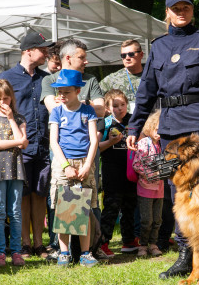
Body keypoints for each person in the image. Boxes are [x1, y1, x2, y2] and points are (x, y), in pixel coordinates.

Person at [126, 0, 199, 279]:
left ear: (192, 10)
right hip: (170, 124)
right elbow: (146, 90)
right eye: (176, 8)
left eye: (185, 7)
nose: (181, 12)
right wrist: (134, 127)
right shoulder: (158, 46)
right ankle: (186, 254)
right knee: (178, 191)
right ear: (168, 12)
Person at [0, 31, 53, 259]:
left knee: (39, 194)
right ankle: (25, 243)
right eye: (43, 49)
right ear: (28, 51)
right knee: (22, 194)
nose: (47, 52)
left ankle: (39, 243)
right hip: (19, 146)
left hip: (43, 145)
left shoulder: (46, 78)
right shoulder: (7, 78)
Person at [48, 69, 100, 267]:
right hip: (64, 164)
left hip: (84, 163)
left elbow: (94, 139)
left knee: (83, 209)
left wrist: (87, 165)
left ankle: (85, 253)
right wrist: (66, 166)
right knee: (64, 209)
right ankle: (63, 252)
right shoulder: (57, 111)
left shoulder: (88, 111)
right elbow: (54, 141)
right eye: (59, 91)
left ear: (78, 91)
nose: (62, 95)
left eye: (67, 92)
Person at [0, 80, 28, 268]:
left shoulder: (19, 119)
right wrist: (16, 141)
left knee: (15, 212)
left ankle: (16, 251)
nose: (2, 102)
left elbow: (24, 143)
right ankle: (0, 252)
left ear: (12, 98)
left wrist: (11, 119)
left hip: (15, 169)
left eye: (6, 98)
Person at [97, 89, 138, 256]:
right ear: (107, 108)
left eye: (123, 105)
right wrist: (111, 141)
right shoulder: (104, 123)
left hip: (131, 171)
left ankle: (128, 241)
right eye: (115, 106)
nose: (120, 109)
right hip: (112, 172)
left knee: (130, 206)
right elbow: (97, 147)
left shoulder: (132, 121)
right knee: (112, 207)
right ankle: (103, 243)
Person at [42, 38, 105, 117]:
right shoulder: (49, 80)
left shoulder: (90, 80)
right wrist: (87, 104)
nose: (86, 61)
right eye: (81, 57)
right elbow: (54, 110)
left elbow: (101, 111)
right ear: (68, 58)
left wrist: (65, 103)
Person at [131, 110, 164, 257]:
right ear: (150, 128)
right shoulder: (143, 143)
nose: (159, 133)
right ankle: (142, 245)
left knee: (157, 219)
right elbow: (136, 165)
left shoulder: (163, 145)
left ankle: (153, 244)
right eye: (157, 129)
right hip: (145, 187)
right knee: (146, 219)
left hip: (160, 188)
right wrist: (152, 174)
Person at [100, 39, 145, 112]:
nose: (127, 58)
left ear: (141, 55)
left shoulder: (152, 75)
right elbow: (95, 98)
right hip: (124, 122)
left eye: (131, 54)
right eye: (123, 55)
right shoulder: (112, 79)